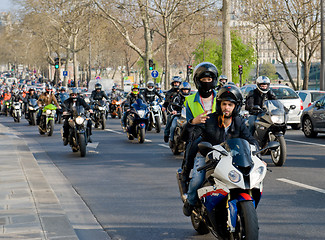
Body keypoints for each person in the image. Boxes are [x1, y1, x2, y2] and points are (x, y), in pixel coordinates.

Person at [182, 84, 259, 216]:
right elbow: (188, 137)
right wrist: (192, 123)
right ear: (219, 104)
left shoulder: (239, 122)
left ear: (236, 106)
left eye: (230, 104)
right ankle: (190, 201)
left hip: (230, 157)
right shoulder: (209, 119)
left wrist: (258, 157)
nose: (226, 108)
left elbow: (250, 140)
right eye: (224, 104)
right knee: (197, 180)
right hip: (207, 157)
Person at [178, 62, 219, 195]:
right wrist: (193, 121)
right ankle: (185, 174)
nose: (206, 82)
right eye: (203, 79)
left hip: (219, 134)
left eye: (209, 79)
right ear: (197, 80)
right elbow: (185, 124)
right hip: (199, 134)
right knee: (193, 144)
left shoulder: (221, 97)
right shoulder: (189, 100)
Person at [168, 82, 191, 147]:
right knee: (173, 125)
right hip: (179, 115)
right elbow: (171, 106)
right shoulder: (176, 97)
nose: (185, 91)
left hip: (188, 116)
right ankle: (171, 140)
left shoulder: (191, 98)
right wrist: (173, 111)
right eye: (184, 90)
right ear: (181, 90)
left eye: (187, 90)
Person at [163, 76, 182, 142]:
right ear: (172, 83)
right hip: (172, 110)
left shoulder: (182, 92)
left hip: (182, 111)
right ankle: (166, 134)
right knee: (169, 121)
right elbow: (166, 102)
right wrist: (165, 107)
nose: (176, 84)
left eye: (178, 83)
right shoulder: (169, 92)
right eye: (175, 83)